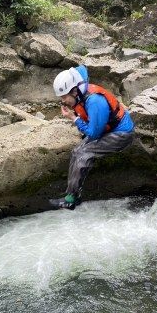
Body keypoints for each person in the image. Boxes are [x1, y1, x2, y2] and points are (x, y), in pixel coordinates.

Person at [49, 65, 135, 209]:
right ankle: (71, 194)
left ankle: (71, 199)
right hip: (108, 131)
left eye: (64, 97)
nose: (63, 101)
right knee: (77, 151)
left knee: (84, 154)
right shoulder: (81, 95)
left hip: (121, 135)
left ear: (75, 91)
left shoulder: (95, 101)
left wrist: (74, 119)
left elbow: (94, 133)